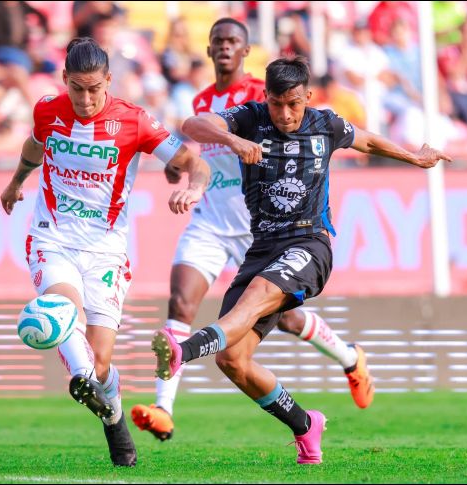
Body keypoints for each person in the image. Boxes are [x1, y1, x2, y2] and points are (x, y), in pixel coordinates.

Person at [155, 56, 451, 464]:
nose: (285, 113)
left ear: (307, 97)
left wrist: (415, 157)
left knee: (255, 297)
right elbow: (193, 124)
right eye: (277, 103)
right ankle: (305, 425)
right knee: (232, 360)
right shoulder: (251, 118)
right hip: (262, 247)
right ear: (266, 98)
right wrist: (233, 140)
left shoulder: (324, 124)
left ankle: (182, 351)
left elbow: (367, 141)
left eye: (294, 104)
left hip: (309, 243)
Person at [131, 18, 375, 443]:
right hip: (210, 218)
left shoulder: (263, 99)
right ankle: (164, 408)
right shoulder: (204, 99)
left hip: (261, 225)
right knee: (181, 300)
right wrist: (183, 169)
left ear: (246, 52)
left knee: (282, 317)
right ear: (208, 51)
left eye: (233, 42)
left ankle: (349, 357)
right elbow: (197, 145)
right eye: (218, 42)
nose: (225, 48)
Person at [0, 38, 210, 467]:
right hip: (52, 238)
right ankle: (80, 379)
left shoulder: (134, 121)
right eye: (77, 88)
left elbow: (193, 161)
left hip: (106, 251)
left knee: (100, 363)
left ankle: (111, 416)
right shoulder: (47, 111)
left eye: (94, 88)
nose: (86, 98)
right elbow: (34, 146)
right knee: (63, 311)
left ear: (109, 81)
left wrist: (193, 187)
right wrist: (17, 180)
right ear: (65, 82)